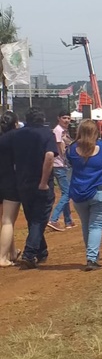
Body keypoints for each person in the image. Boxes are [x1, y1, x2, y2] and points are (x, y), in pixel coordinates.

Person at [10, 108, 58, 269]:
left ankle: (41, 251)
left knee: (33, 219)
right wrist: (44, 182)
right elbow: (50, 156)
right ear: (42, 119)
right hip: (41, 183)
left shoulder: (17, 135)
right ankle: (29, 253)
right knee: (39, 219)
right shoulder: (46, 134)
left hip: (22, 182)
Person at [67, 120, 102, 271]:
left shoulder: (72, 149)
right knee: (96, 226)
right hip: (99, 192)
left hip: (79, 193)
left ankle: (92, 255)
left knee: (86, 225)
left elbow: (70, 163)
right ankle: (91, 258)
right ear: (96, 132)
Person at [0, 112, 21, 267]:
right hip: (10, 182)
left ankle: (12, 252)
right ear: (15, 123)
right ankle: (2, 257)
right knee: (8, 220)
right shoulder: (15, 138)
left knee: (7, 221)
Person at [48, 111, 74, 231]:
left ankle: (68, 221)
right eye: (64, 118)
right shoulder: (58, 131)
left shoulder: (64, 131)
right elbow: (61, 149)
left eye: (68, 118)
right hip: (60, 165)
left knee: (66, 192)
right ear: (58, 118)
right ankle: (54, 219)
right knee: (67, 193)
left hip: (63, 165)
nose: (67, 120)